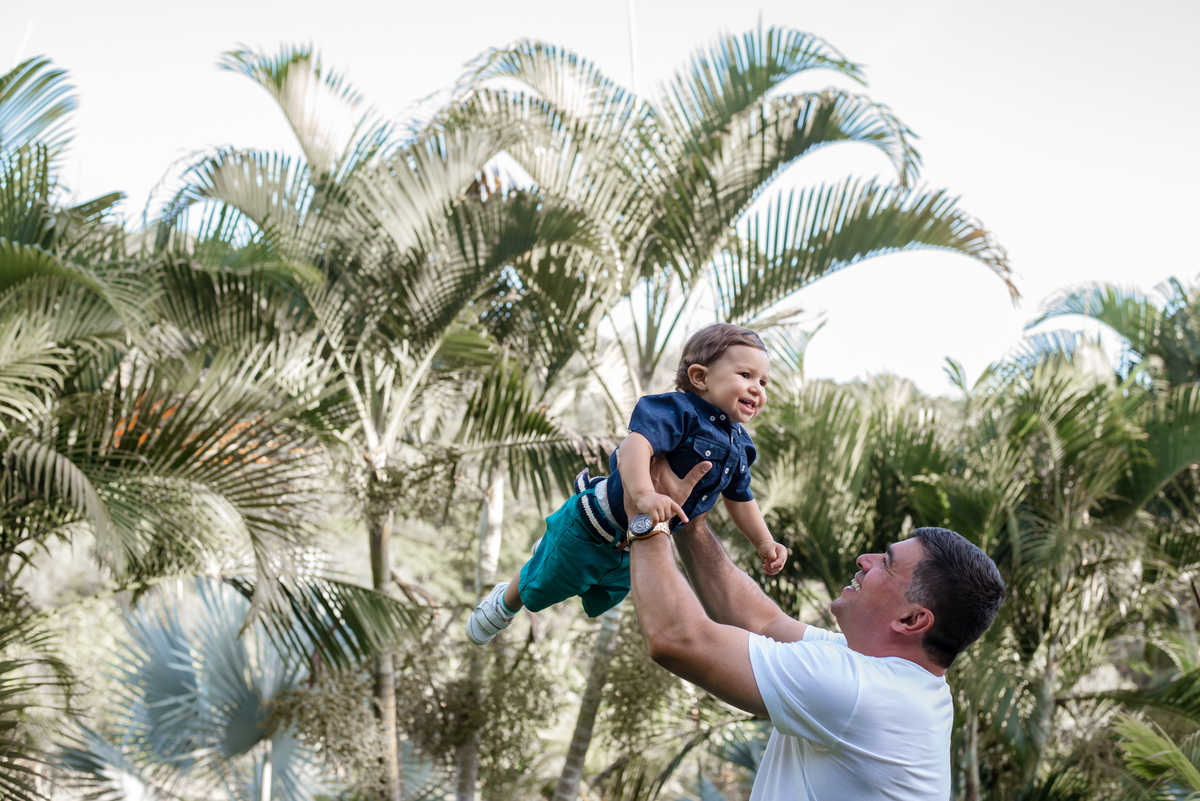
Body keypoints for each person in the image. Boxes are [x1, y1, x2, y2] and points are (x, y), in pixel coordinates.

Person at [626, 456, 1005, 800]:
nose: (865, 559)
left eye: (886, 563)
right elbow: (763, 622)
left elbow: (676, 638)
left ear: (911, 620)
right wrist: (689, 520)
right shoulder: (889, 674)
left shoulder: (864, 692)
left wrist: (645, 517)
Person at [466, 323, 789, 646]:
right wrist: (644, 494)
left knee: (596, 595)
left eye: (763, 382)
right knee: (544, 584)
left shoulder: (742, 446)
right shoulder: (679, 410)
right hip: (597, 523)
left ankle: (550, 548)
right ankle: (504, 603)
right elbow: (634, 447)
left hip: (637, 544)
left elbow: (740, 497)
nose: (757, 389)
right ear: (700, 377)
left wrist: (763, 541)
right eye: (745, 376)